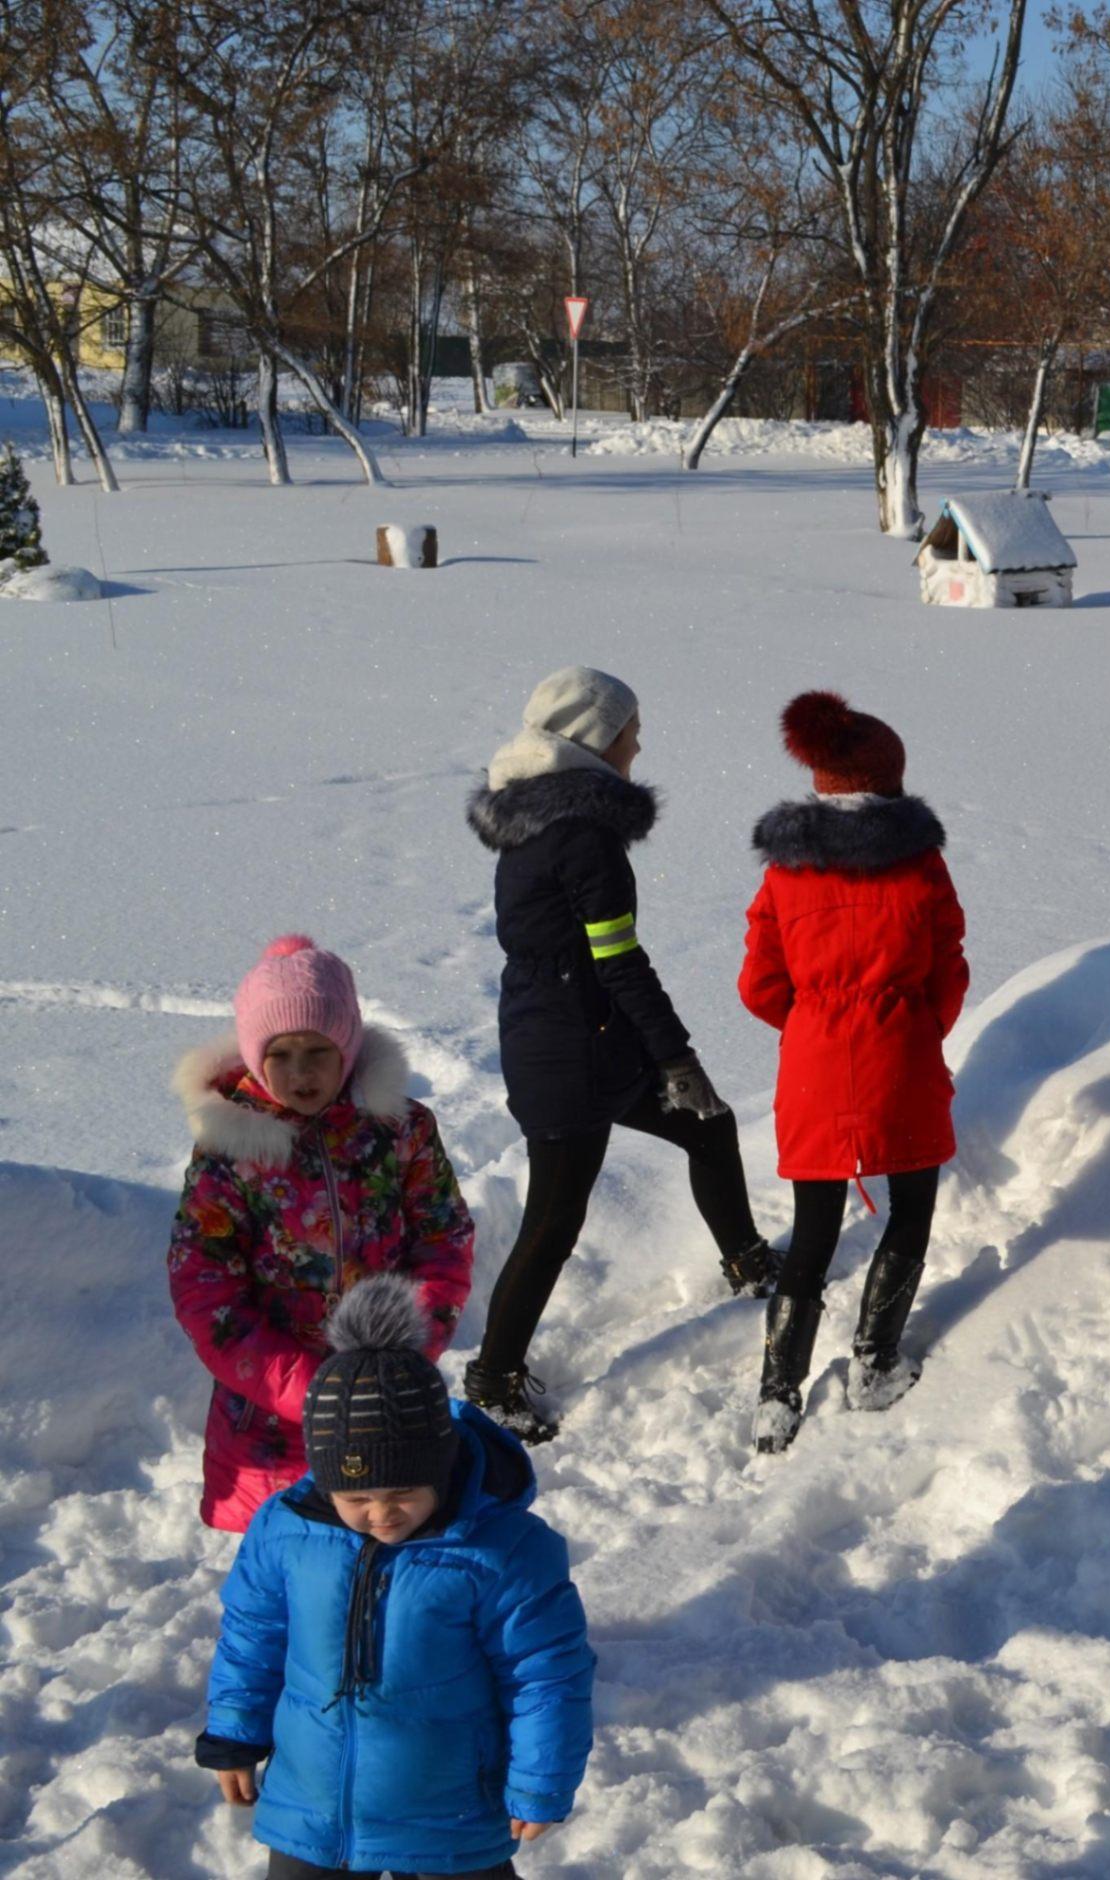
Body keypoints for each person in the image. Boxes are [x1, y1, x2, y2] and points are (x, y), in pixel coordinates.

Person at [464, 666, 776, 1445]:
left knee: (708, 1128)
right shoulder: (582, 837)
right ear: (597, 738)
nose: (639, 742)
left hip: (577, 1038)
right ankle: (490, 1381)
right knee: (554, 1219)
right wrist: (676, 1056)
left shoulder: (541, 822)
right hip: (571, 1056)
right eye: (629, 728)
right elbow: (618, 959)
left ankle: (748, 1264)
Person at [197, 1275, 595, 1879]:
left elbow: (544, 1673)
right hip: (313, 1808)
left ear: (441, 1467)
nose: (381, 1513)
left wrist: (541, 1779)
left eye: (403, 1492)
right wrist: (234, 1732)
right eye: (354, 1496)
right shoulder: (286, 1532)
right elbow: (253, 1635)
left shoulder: (503, 1551)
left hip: (449, 1814)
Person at [167, 936, 477, 1534]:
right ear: (256, 1056)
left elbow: (443, 1236)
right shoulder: (230, 1151)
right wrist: (302, 1385)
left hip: (387, 1394)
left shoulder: (400, 1129)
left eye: (319, 1049)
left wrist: (410, 1346)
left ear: (350, 1047)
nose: (301, 1071)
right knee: (289, 1556)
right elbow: (203, 1284)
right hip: (269, 1413)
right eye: (280, 1053)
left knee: (390, 1537)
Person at [738, 691, 969, 1454]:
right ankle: (874, 1362)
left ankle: (778, 1394)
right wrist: (913, 1027)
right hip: (900, 1054)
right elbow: (947, 969)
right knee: (909, 1209)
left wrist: (810, 1027)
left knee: (811, 1232)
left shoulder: (785, 875)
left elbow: (757, 986)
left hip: (811, 1065)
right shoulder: (921, 867)